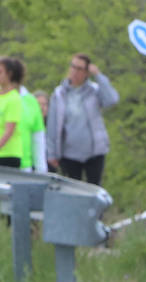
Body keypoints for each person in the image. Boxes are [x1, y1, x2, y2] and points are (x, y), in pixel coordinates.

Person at [45, 53, 117, 184]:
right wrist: (52, 153)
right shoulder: (59, 94)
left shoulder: (94, 91)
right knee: (72, 190)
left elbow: (112, 99)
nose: (75, 72)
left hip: (94, 152)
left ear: (86, 73)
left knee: (94, 189)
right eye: (73, 67)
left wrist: (99, 76)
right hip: (69, 153)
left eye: (79, 69)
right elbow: (52, 125)